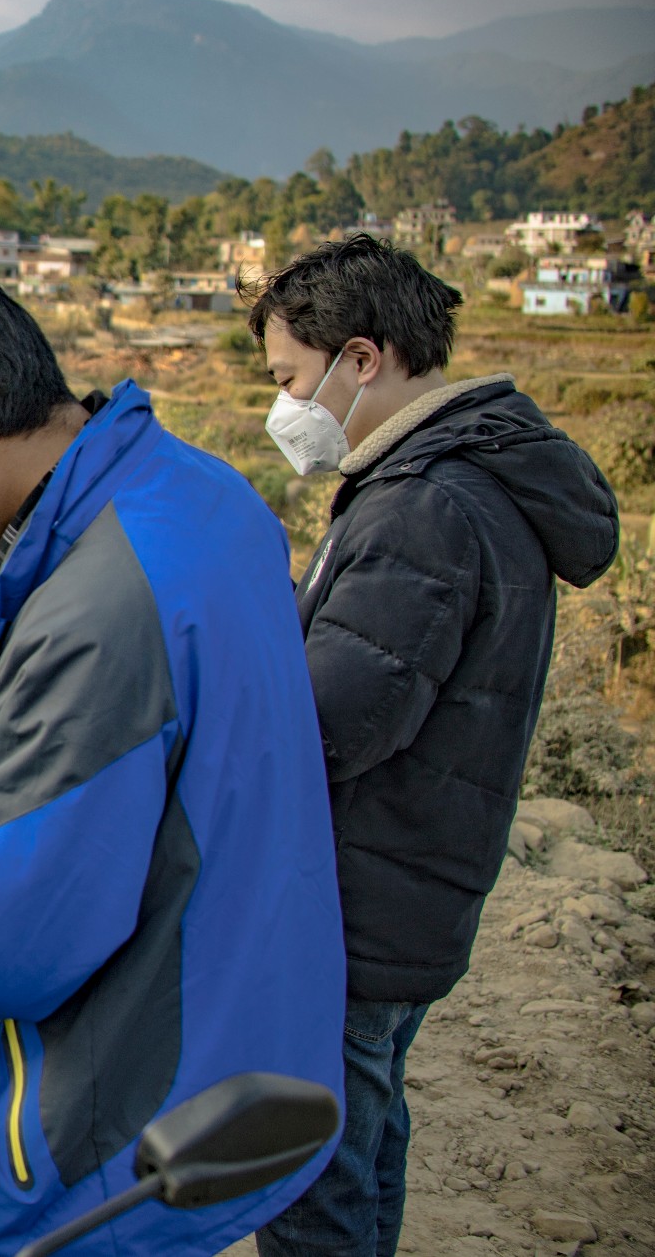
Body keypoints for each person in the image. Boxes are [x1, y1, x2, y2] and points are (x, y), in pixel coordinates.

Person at [0, 248, 346, 1257]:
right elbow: (90, 627)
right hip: (217, 1036)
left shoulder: (97, 614)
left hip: (97, 1140)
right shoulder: (192, 497)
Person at [247, 237, 619, 1257]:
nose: (283, 407)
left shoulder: (424, 505)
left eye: (288, 379)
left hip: (361, 895)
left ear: (359, 359)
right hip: (412, 878)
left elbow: (332, 723)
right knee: (360, 1140)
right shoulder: (449, 480)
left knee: (309, 1170)